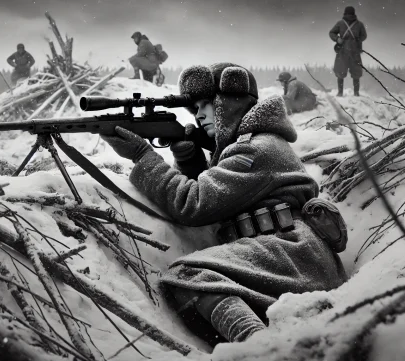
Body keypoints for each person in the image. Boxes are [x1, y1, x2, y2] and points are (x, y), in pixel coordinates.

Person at [101, 63, 348, 346]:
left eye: (206, 105)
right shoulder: (252, 145)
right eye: (195, 108)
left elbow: (193, 204)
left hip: (292, 252)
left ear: (228, 104)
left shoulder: (256, 148)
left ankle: (260, 349)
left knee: (189, 276)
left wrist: (143, 156)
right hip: (288, 254)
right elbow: (221, 192)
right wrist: (189, 161)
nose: (199, 114)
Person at [329, 6, 367, 97]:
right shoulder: (359, 24)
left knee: (340, 72)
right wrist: (357, 40)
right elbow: (364, 36)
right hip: (355, 52)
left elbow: (331, 33)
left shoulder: (340, 23)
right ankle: (356, 93)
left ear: (345, 13)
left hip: (343, 51)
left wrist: (337, 39)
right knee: (356, 73)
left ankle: (340, 93)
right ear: (354, 13)